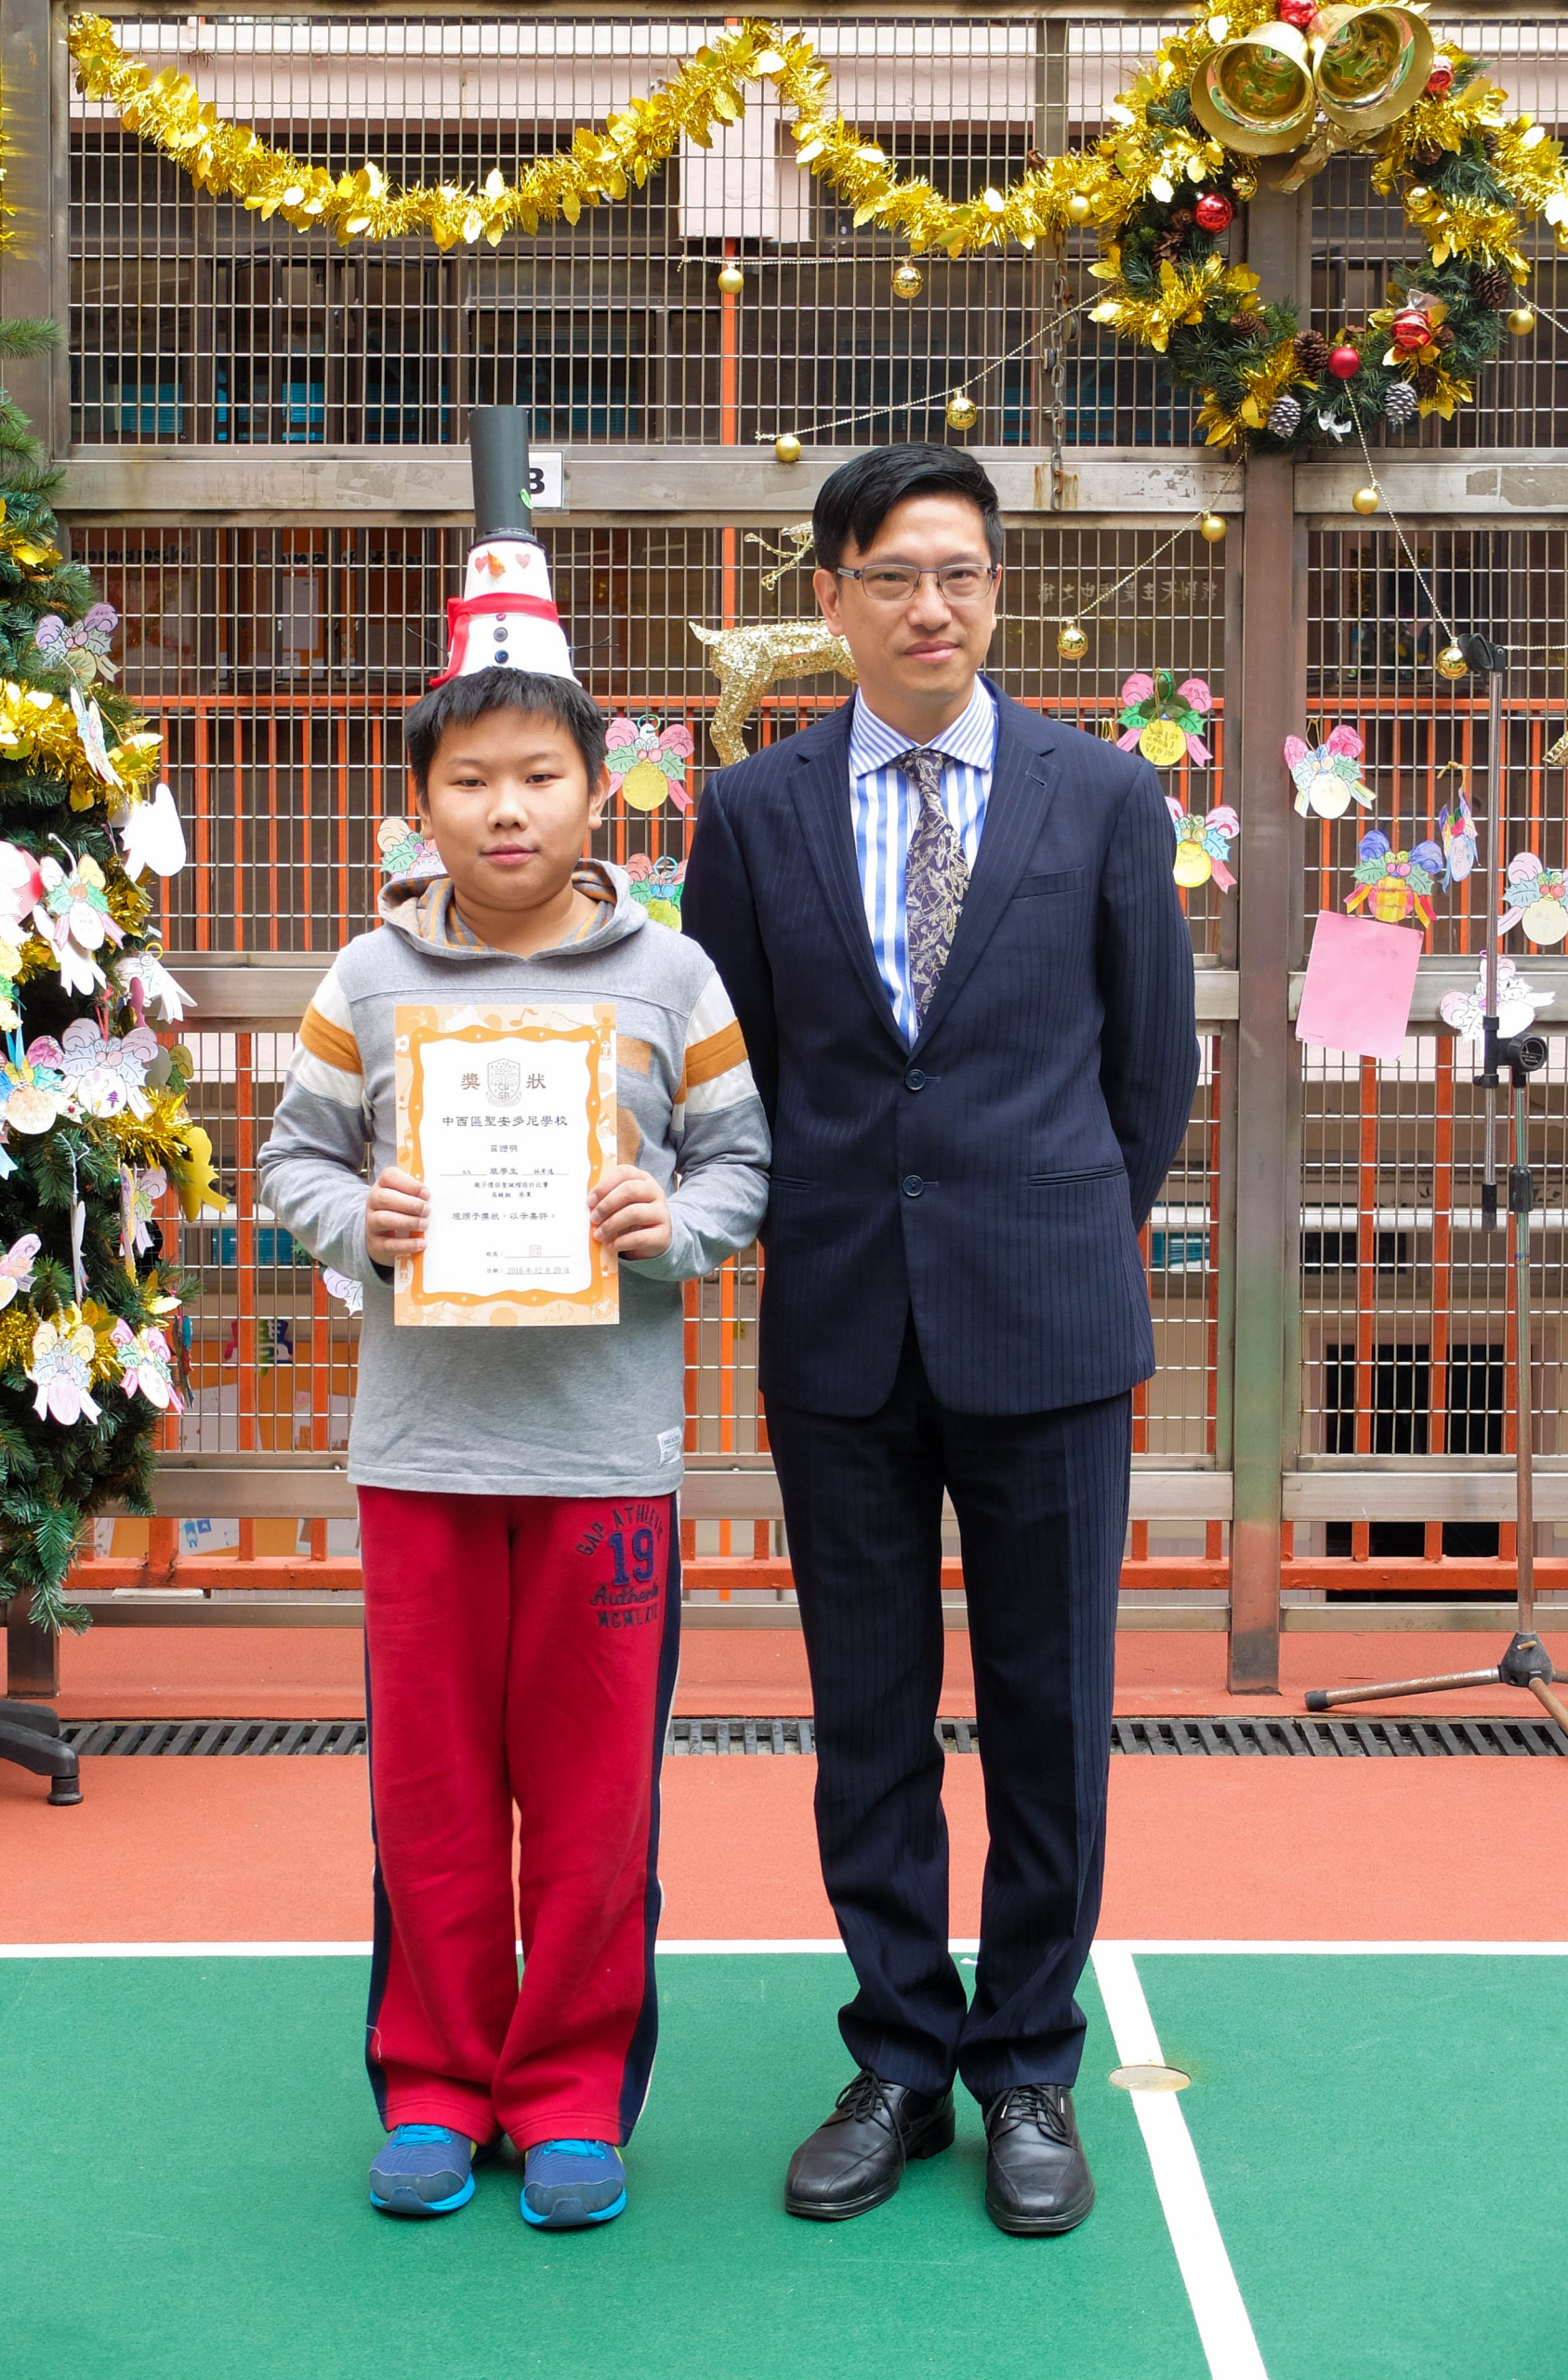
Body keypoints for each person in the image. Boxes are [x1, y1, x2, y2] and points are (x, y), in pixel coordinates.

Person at [682, 444, 1198, 2237]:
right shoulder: (753, 811)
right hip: (840, 1325)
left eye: (961, 573)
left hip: (1049, 1320)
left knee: (1053, 1716)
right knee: (868, 1718)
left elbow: (1151, 1067)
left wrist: (1053, 1223)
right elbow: (733, 1072)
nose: (932, 607)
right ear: (829, 597)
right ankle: (900, 2055)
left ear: (995, 591)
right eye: (895, 574)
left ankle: (1030, 2064)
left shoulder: (1102, 793)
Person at [260, 659, 769, 2230]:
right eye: (469, 779)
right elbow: (292, 1160)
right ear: (421, 806)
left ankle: (567, 2096)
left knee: (598, 1801)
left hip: (605, 1461)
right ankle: (434, 2083)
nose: (505, 808)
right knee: (428, 1791)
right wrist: (361, 1217)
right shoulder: (368, 978)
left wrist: (671, 1223)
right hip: (423, 1456)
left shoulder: (673, 978)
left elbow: (742, 1162)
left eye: (538, 776)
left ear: (596, 792)